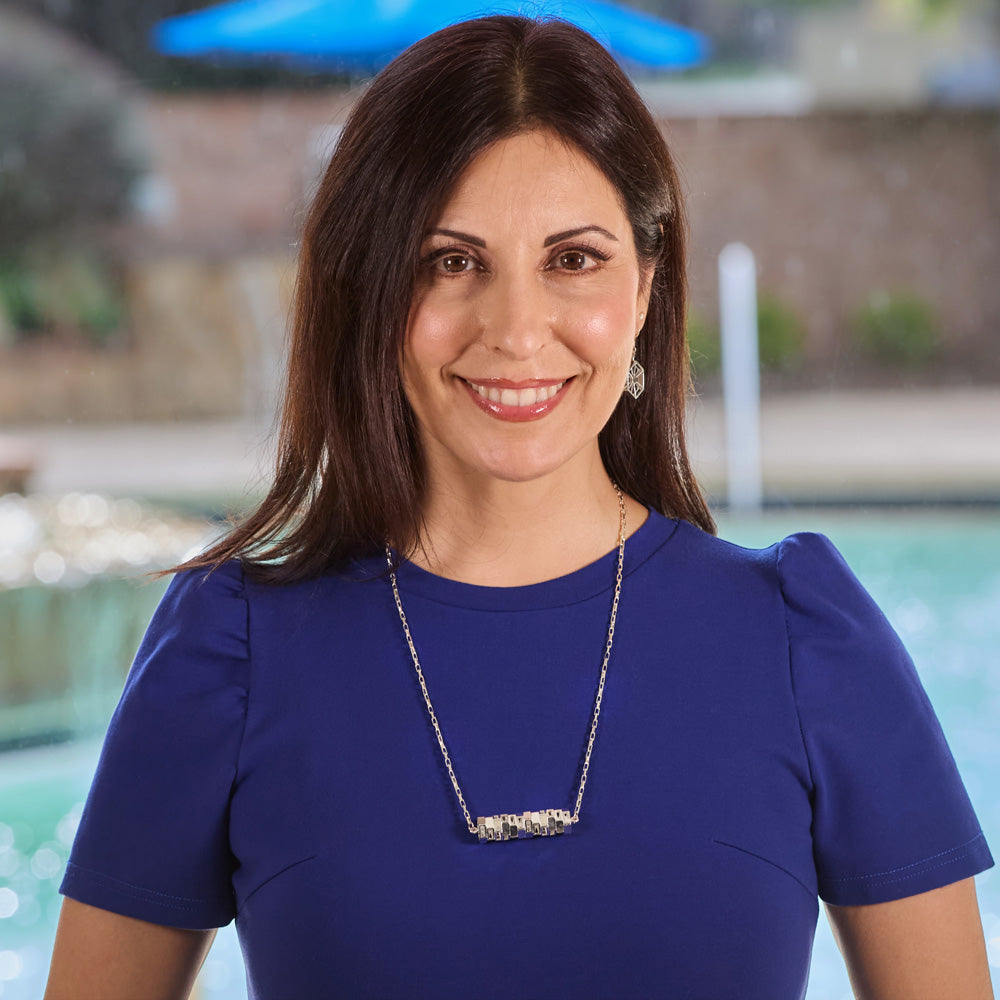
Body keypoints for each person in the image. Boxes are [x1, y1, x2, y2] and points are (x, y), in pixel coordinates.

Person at [45, 15, 993, 1000]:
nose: (515, 330)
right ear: (370, 290)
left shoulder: (808, 640)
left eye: (572, 260)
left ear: (645, 287)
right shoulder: (226, 652)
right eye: (452, 262)